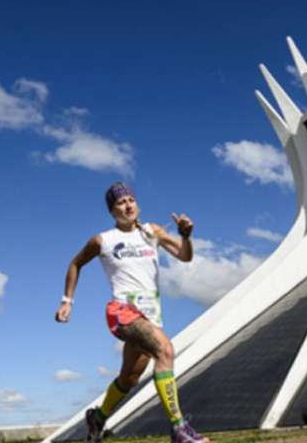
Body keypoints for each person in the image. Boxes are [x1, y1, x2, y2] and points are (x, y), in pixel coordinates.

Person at [55, 182, 210, 443]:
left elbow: (185, 256)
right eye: (120, 202)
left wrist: (186, 236)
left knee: (129, 378)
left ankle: (98, 417)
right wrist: (67, 300)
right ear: (112, 210)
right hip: (121, 312)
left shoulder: (152, 232)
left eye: (131, 200)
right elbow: (75, 263)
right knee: (165, 350)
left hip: (150, 316)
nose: (128, 205)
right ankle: (179, 429)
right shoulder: (103, 240)